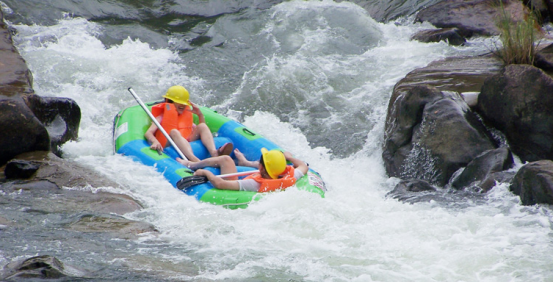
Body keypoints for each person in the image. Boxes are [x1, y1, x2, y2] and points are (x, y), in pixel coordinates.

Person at [144, 85, 232, 162]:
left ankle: (214, 152)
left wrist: (199, 114)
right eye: (179, 103)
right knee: (174, 131)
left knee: (202, 126)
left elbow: (202, 130)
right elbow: (148, 133)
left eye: (184, 103)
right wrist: (155, 142)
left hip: (187, 143)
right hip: (169, 144)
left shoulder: (186, 116)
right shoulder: (161, 117)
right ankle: (193, 159)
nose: (183, 105)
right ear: (169, 101)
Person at [178, 148, 309, 192]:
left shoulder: (254, 184)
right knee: (241, 165)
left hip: (238, 184)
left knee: (226, 160)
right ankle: (244, 162)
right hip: (268, 176)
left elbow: (220, 184)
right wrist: (289, 157)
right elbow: (304, 166)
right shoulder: (291, 177)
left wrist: (205, 172)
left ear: (261, 167)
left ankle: (191, 164)